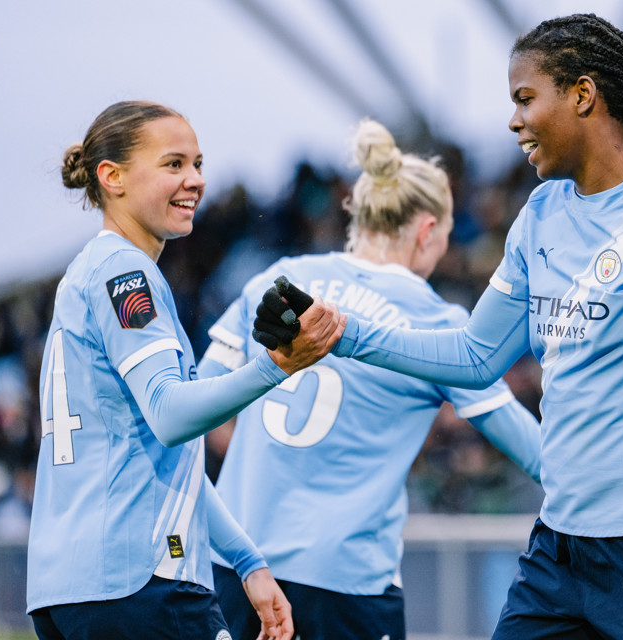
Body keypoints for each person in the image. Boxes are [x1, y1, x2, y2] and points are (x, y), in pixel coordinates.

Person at [305, 13, 623, 640]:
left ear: (582, 95)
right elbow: (475, 356)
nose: (513, 120)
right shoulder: (541, 213)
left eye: (525, 98)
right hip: (561, 555)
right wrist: (340, 334)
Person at [199, 118, 542, 640]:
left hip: (235, 571)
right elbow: (534, 453)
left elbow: (193, 407)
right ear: (428, 230)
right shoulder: (439, 322)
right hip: (344, 585)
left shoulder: (278, 280)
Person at [27, 101, 342, 640]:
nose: (195, 180)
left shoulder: (86, 274)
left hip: (69, 591)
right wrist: (279, 365)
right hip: (141, 580)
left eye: (197, 164)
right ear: (113, 177)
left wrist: (247, 561)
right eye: (173, 164)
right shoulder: (126, 272)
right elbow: (171, 416)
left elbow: (167, 459)